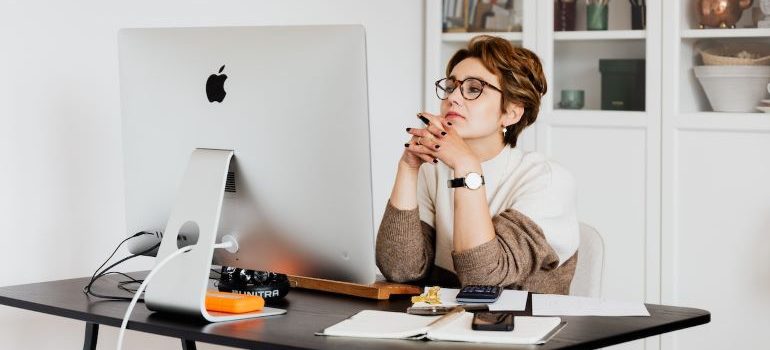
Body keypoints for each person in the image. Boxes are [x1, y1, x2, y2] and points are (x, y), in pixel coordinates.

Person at [375, 35, 579, 294]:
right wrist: (408, 166)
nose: (453, 98)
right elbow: (400, 270)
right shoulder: (434, 170)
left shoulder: (549, 181)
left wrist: (467, 166)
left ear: (511, 112)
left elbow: (483, 279)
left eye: (473, 89)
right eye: (451, 87)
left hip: (521, 328)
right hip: (444, 327)